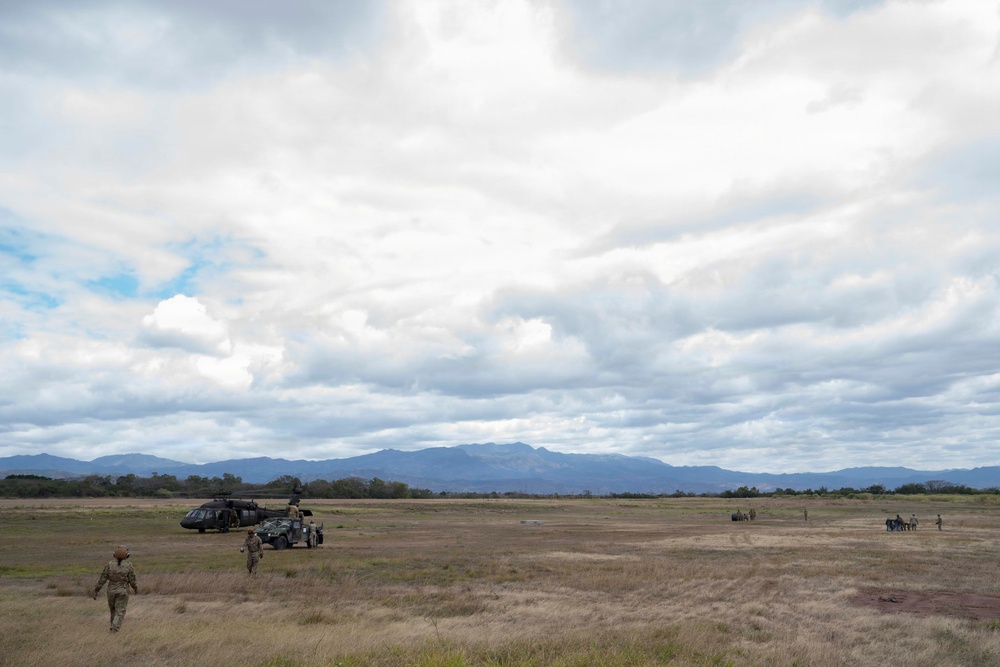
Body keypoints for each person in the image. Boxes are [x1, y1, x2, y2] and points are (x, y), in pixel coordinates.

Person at [92, 545, 138, 633]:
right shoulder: (129, 565)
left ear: (114, 554)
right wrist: (135, 588)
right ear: (127, 555)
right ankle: (114, 629)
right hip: (123, 590)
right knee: (120, 610)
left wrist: (96, 590)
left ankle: (113, 627)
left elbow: (102, 579)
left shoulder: (109, 565)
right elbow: (132, 580)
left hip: (111, 590)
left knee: (113, 610)